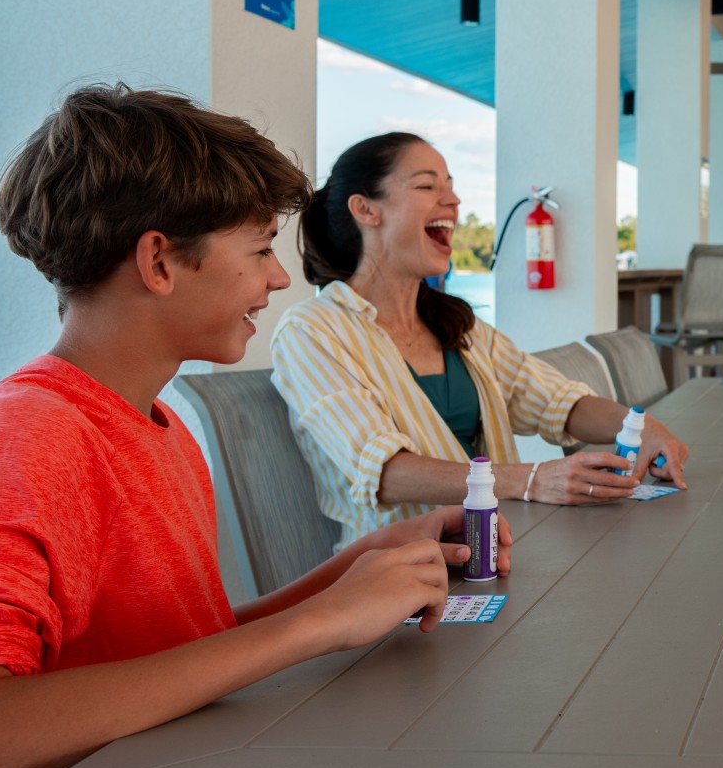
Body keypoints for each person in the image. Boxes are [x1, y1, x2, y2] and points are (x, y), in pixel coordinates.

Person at [0, 86, 496, 768]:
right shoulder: (30, 438)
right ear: (161, 262)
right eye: (256, 252)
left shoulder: (155, 424)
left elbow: (168, 654)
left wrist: (345, 580)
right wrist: (312, 627)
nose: (280, 277)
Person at [271, 133, 690, 544]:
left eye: (452, 186)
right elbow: (382, 473)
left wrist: (642, 427)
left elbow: (558, 402)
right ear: (365, 209)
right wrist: (530, 479)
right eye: (427, 185)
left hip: (497, 550)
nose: (453, 201)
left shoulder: (459, 326)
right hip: (400, 573)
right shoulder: (311, 330)